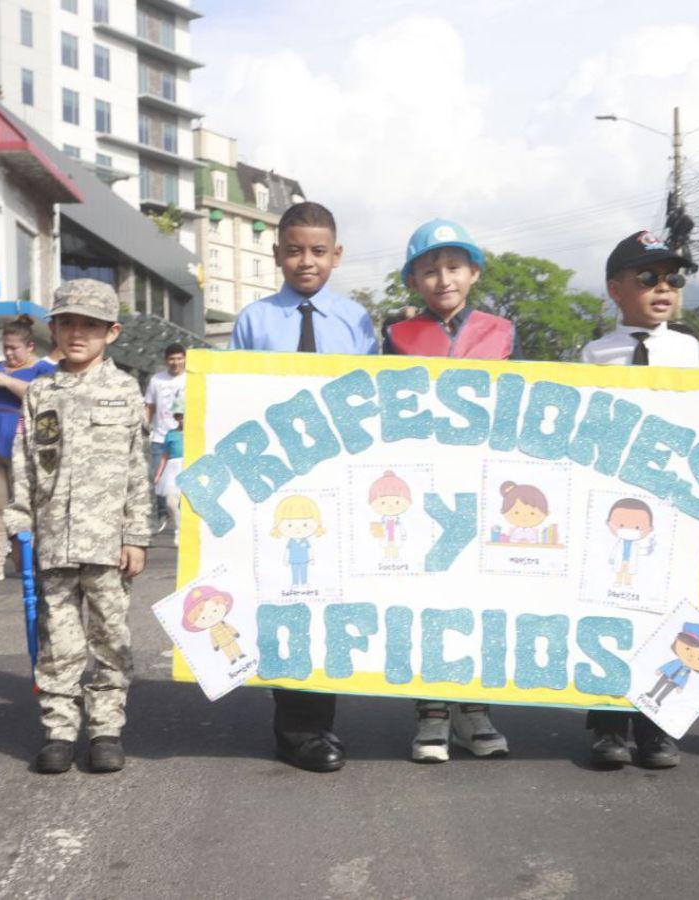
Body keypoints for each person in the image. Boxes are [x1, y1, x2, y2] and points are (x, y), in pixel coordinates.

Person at [229, 200, 377, 773]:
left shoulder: (357, 321)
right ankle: (297, 728)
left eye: (318, 251)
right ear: (276, 255)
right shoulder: (254, 320)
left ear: (336, 255)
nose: (305, 262)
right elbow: (234, 400)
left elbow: (371, 398)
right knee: (285, 594)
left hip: (337, 476)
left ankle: (320, 723)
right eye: (294, 250)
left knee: (328, 597)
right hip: (275, 476)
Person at [6, 279, 151, 775]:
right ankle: (60, 730)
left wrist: (136, 535)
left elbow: (137, 467)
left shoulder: (125, 389)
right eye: (67, 322)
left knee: (111, 637)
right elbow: (24, 461)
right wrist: (19, 522)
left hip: (108, 542)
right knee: (59, 642)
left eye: (90, 325)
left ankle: (106, 728)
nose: (77, 333)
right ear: (54, 328)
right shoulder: (40, 390)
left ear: (111, 332)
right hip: (52, 538)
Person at [385, 218, 514, 763]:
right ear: (413, 280)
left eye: (454, 267)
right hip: (422, 489)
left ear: (474, 272)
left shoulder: (503, 331)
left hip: (484, 488)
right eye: (429, 269)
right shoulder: (396, 336)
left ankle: (475, 709)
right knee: (427, 597)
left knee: (480, 598)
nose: (443, 279)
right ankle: (432, 713)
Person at [579, 230, 699, 770]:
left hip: (670, 501)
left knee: (665, 613)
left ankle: (656, 727)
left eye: (673, 278)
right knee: (610, 608)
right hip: (612, 502)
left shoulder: (689, 349)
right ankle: (607, 725)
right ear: (615, 289)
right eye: (647, 277)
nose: (664, 288)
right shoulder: (595, 353)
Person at [0, 316, 56, 583]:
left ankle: (27, 559)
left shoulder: (43, 370)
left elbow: (45, 399)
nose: (8, 353)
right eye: (5, 347)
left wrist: (6, 382)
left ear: (29, 346)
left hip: (25, 444)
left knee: (26, 507)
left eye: (13, 347)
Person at [144, 343, 187, 530]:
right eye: (171, 359)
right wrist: (144, 429)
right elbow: (149, 406)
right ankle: (161, 515)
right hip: (160, 437)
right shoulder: (157, 380)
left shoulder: (191, 378)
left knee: (185, 478)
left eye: (179, 358)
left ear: (185, 358)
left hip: (183, 437)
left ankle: (184, 515)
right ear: (165, 360)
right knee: (157, 478)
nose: (175, 362)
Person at [153, 393, 185, 546]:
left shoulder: (197, 434)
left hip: (190, 469)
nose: (183, 419)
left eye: (186, 415)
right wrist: (158, 475)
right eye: (180, 416)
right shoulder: (171, 435)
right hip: (173, 469)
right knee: (171, 501)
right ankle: (179, 530)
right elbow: (165, 456)